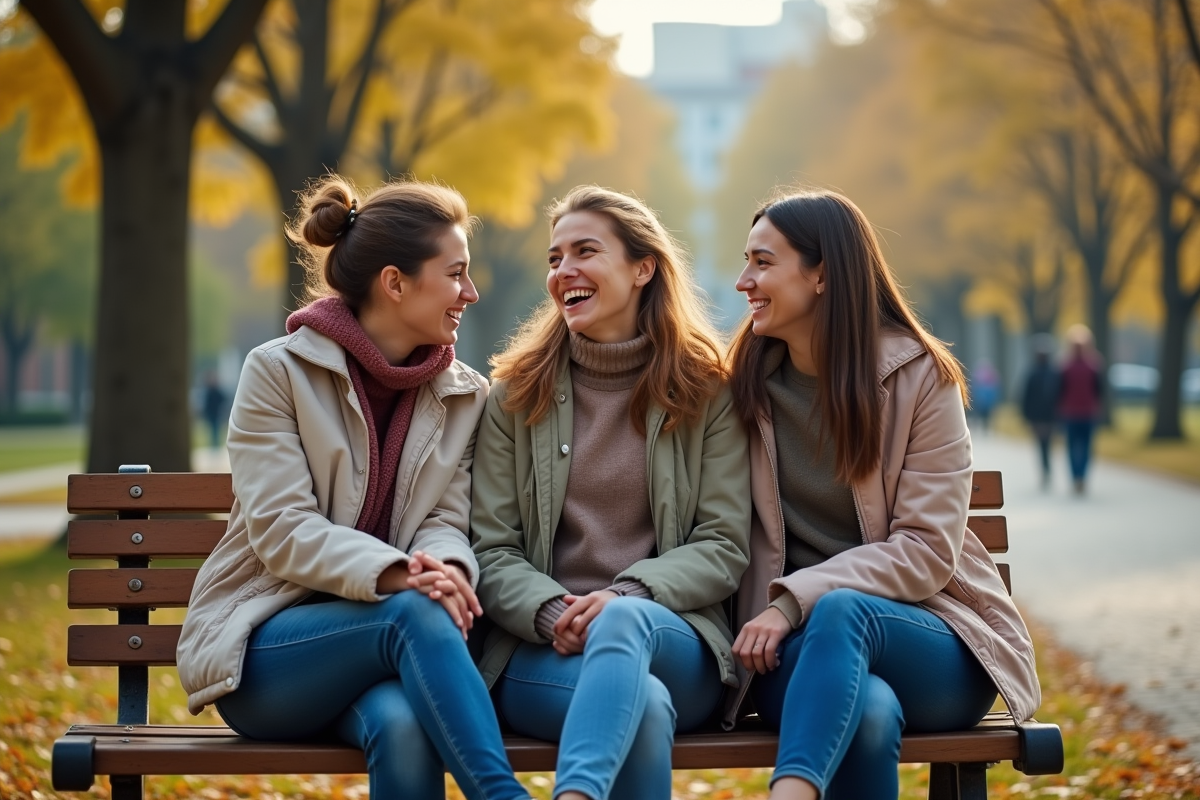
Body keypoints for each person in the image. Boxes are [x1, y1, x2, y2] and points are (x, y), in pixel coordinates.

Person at [176, 176, 530, 800]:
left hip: (388, 651)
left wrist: (442, 566)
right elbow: (283, 531)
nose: (470, 293)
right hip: (265, 652)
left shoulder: (464, 395)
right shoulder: (277, 373)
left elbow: (446, 520)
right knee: (412, 614)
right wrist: (401, 576)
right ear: (395, 283)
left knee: (403, 727)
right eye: (455, 274)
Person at [727, 190, 1040, 800]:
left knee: (845, 609)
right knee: (866, 715)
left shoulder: (920, 379)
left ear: (821, 274)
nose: (743, 281)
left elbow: (924, 549)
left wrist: (792, 601)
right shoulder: (738, 387)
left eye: (762, 262)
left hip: (929, 643)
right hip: (787, 655)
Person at [471, 186, 752, 800]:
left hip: (674, 638)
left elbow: (724, 543)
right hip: (542, 649)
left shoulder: (707, 391)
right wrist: (549, 612)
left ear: (642, 267)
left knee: (627, 627)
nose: (563, 271)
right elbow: (490, 549)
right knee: (643, 710)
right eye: (554, 258)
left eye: (584, 251)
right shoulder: (515, 396)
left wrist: (629, 594)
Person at [1057, 324, 1104, 495]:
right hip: (1088, 412)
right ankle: (1082, 477)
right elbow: (1099, 391)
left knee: (1071, 447)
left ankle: (1076, 476)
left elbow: (1060, 391)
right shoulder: (1094, 365)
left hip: (1070, 412)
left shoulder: (1065, 366)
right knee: (1086, 446)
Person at [1021, 335, 1060, 489]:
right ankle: (1045, 468)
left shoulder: (1053, 373)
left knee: (1046, 443)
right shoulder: (1034, 373)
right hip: (1039, 416)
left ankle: (1046, 468)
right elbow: (1026, 396)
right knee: (1042, 443)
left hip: (1049, 415)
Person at [970, 358, 1001, 433]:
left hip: (983, 400)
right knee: (984, 415)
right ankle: (984, 427)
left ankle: (982, 427)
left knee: (983, 414)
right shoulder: (992, 377)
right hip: (984, 400)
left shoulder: (980, 377)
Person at [200, 371, 228, 449]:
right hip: (211, 413)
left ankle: (216, 445)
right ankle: (214, 444)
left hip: (216, 413)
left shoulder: (216, 391)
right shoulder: (209, 391)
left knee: (215, 429)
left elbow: (223, 399)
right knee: (213, 429)